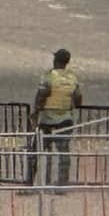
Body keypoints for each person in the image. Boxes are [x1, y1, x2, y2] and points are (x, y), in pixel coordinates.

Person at [30, 47, 83, 189]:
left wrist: (35, 113)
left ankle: (30, 182)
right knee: (63, 153)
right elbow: (78, 99)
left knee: (35, 151)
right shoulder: (72, 77)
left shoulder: (49, 76)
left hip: (47, 120)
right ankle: (62, 184)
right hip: (66, 120)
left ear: (55, 60)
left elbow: (41, 95)